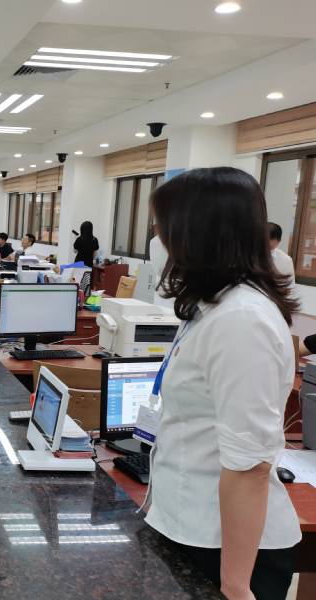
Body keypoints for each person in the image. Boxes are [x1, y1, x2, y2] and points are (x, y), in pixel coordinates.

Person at [147, 167, 301, 600]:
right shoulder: (213, 306)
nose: (158, 241)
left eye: (162, 229)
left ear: (195, 234)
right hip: (190, 523)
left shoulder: (241, 320)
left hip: (223, 548)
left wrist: (235, 586)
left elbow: (250, 467)